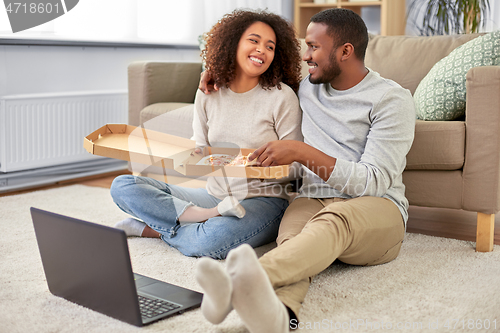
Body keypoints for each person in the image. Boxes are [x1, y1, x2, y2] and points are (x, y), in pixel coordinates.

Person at [195, 8, 416, 333]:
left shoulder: (390, 100)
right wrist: (213, 70)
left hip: (378, 208)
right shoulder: (309, 87)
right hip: (311, 200)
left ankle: (233, 283)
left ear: (345, 51)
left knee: (332, 222)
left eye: (313, 47)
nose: (305, 55)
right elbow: (253, 73)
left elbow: (373, 181)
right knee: (294, 246)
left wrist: (301, 152)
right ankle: (280, 317)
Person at [110, 9, 303, 259]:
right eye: (253, 41)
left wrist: (259, 168)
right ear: (233, 43)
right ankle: (202, 217)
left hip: (263, 201)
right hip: (214, 196)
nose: (261, 50)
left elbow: (298, 167)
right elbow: (200, 150)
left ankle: (152, 229)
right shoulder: (209, 90)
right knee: (123, 185)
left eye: (270, 46)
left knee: (211, 241)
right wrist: (188, 157)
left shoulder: (281, 97)